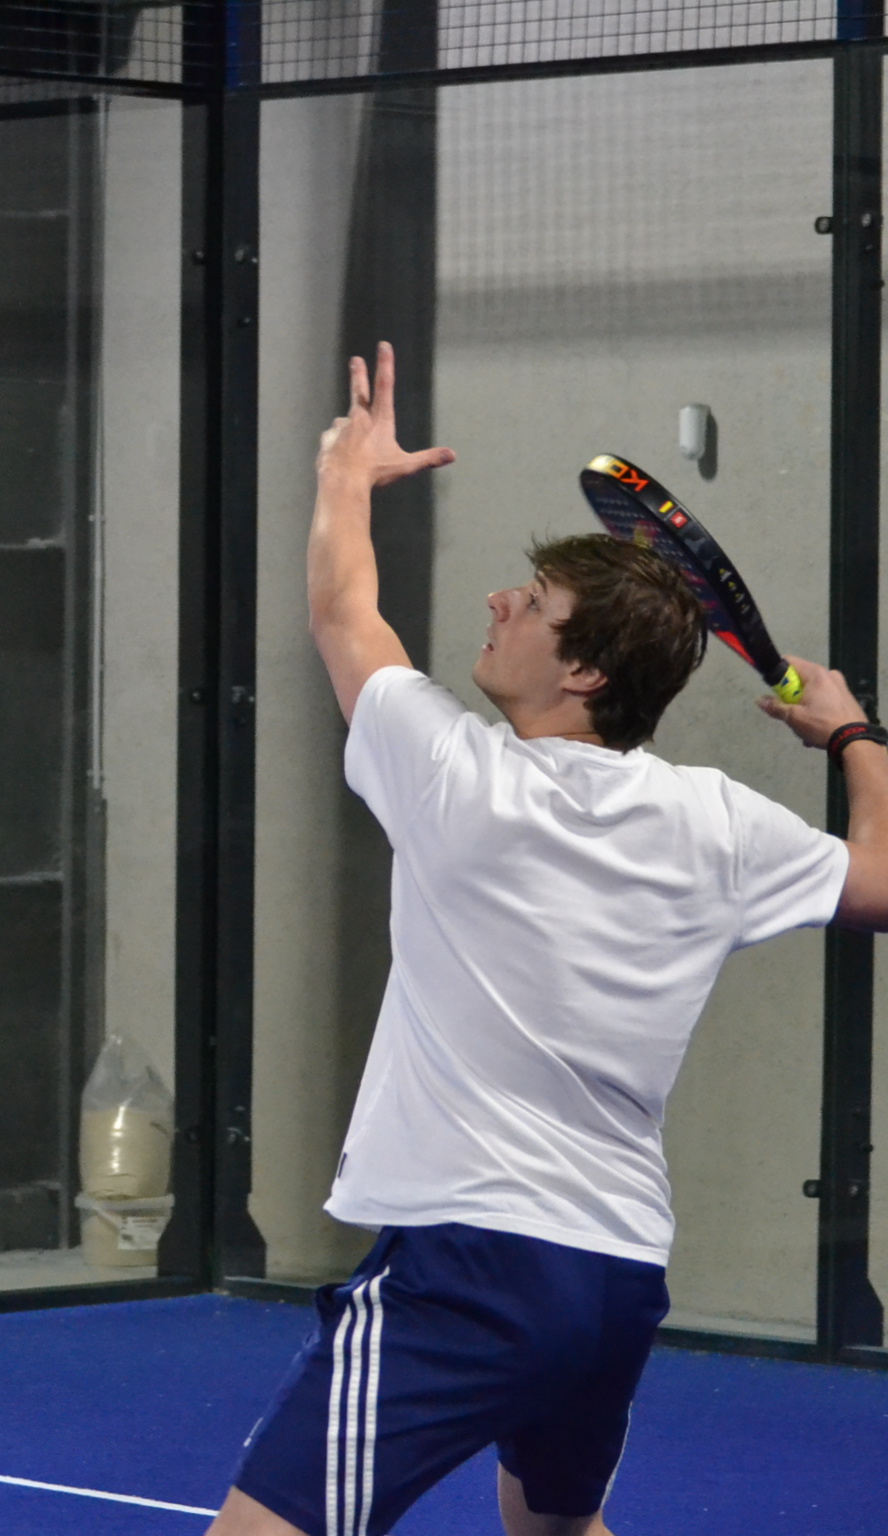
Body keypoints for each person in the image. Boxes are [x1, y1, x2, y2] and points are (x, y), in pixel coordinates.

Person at [208, 343, 888, 1536]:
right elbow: (880, 885)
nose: (499, 602)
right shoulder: (718, 822)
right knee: (558, 1533)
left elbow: (341, 609)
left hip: (468, 1269)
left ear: (583, 672)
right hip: (615, 1275)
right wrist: (850, 735)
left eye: (531, 605)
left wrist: (345, 477)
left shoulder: (453, 776)